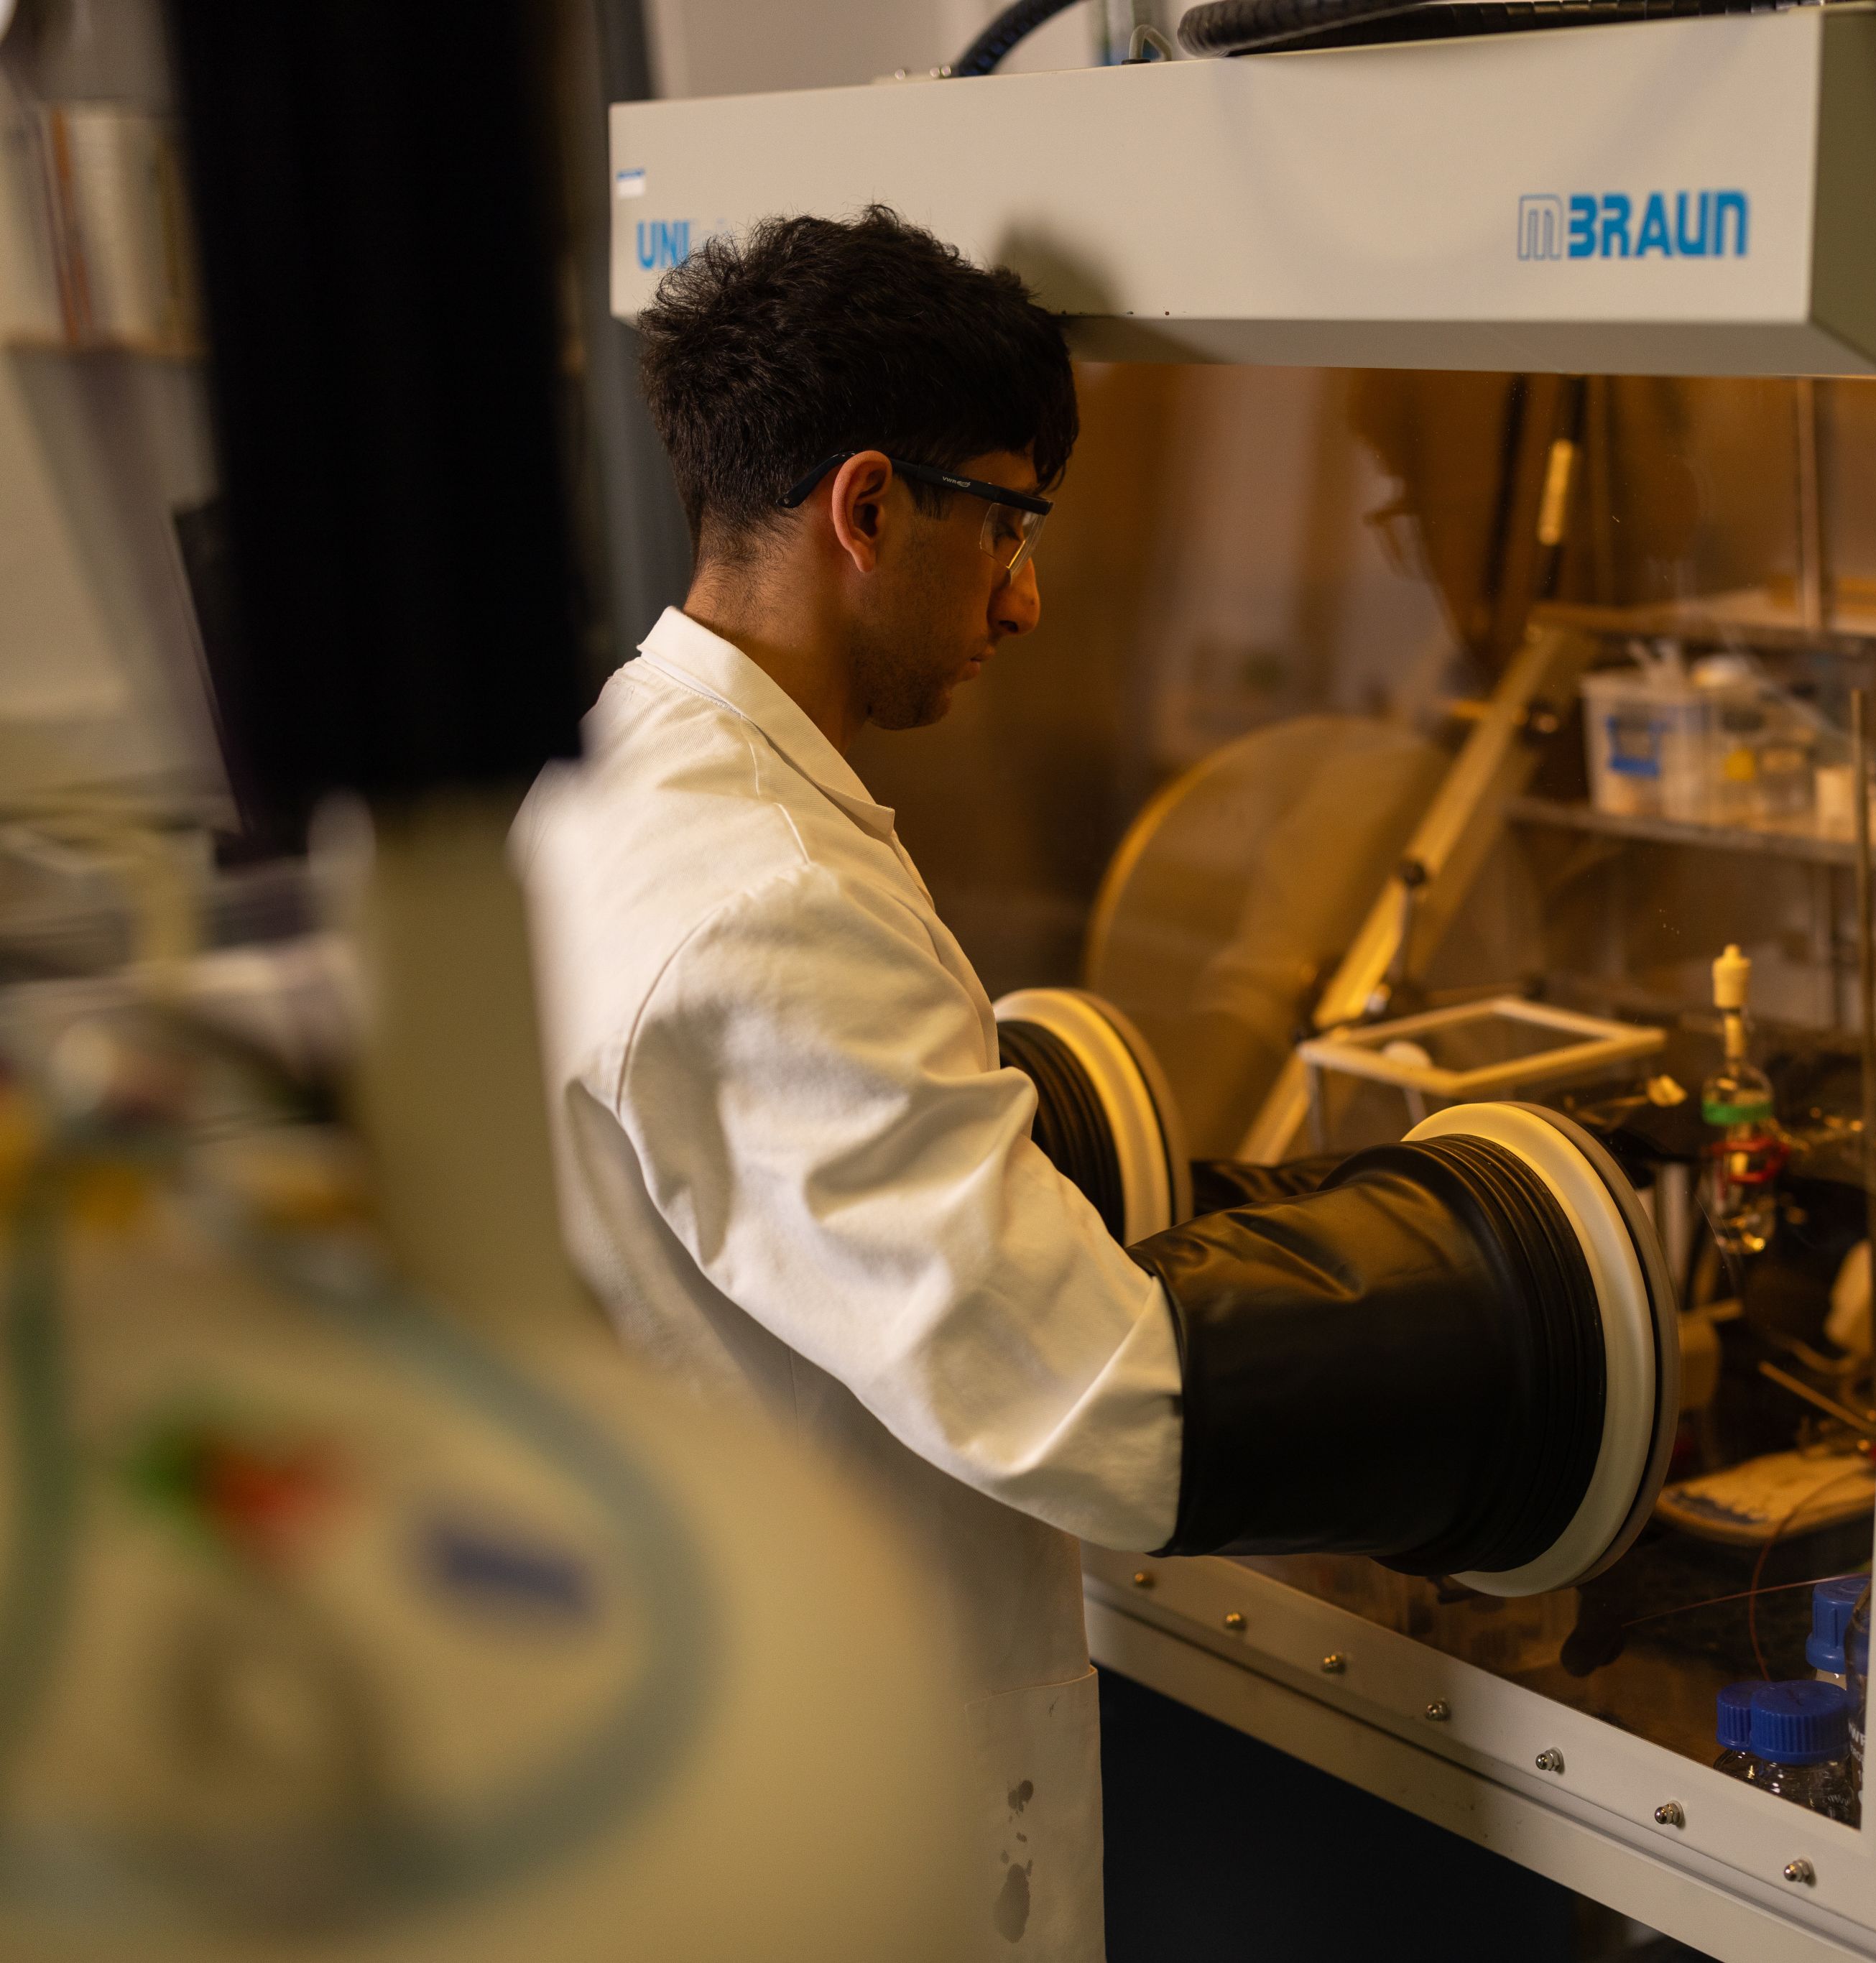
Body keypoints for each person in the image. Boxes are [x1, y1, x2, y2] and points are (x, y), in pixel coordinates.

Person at [513, 208, 1173, 1959]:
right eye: (1008, 522)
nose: (1024, 596)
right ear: (867, 509)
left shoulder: (615, 768)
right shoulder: (768, 896)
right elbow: (1099, 1411)